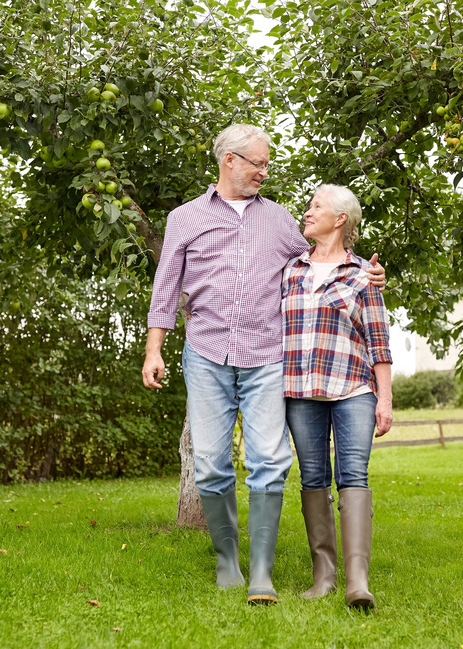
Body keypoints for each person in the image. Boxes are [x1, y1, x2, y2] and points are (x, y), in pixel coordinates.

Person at [142, 125, 384, 605]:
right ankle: (227, 559)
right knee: (211, 465)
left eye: (266, 164)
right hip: (206, 353)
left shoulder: (278, 220)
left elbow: (320, 263)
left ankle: (261, 574)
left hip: (268, 356)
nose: (264, 172)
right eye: (258, 163)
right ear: (230, 160)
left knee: (269, 462)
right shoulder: (184, 218)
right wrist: (154, 349)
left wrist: (366, 271)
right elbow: (166, 286)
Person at [281, 184, 393, 610]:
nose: (307, 212)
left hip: (352, 389)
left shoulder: (364, 273)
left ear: (340, 218)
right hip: (300, 391)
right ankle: (323, 575)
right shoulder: (291, 269)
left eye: (315, 206)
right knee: (313, 479)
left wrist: (384, 400)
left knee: (353, 477)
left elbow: (379, 342)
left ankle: (357, 582)